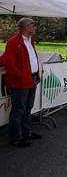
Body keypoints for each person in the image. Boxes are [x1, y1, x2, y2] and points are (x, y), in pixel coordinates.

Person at [3, 18, 42, 147]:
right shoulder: (14, 42)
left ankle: (26, 132)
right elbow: (9, 62)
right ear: (27, 27)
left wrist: (36, 74)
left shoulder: (29, 41)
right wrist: (21, 75)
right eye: (33, 25)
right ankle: (16, 137)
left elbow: (32, 58)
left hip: (31, 78)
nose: (35, 27)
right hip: (20, 80)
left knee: (27, 107)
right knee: (18, 109)